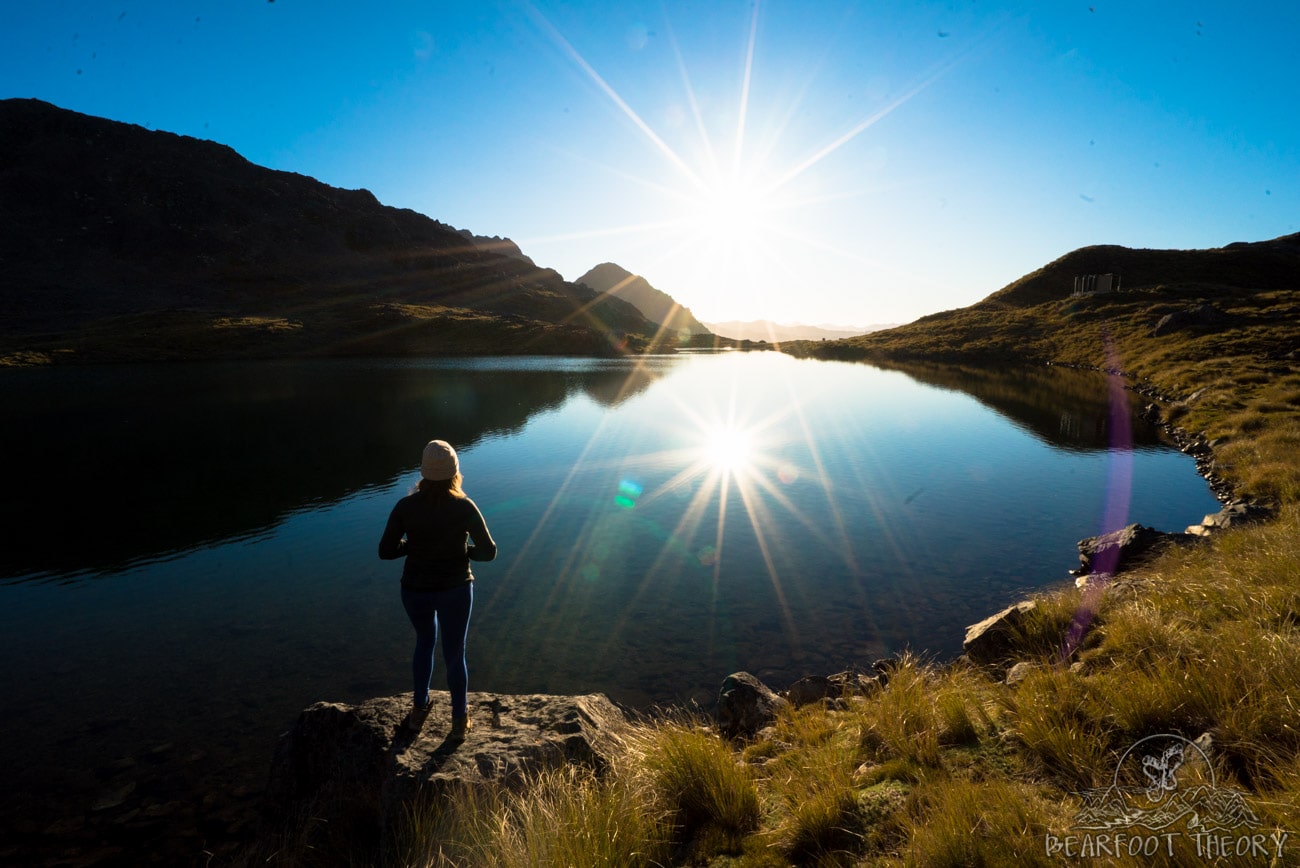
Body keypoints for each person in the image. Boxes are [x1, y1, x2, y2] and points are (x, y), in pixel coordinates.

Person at [379, 439, 497, 738]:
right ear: (454, 472)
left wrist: (414, 545)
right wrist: (463, 551)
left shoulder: (405, 506)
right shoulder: (464, 505)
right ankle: (459, 721)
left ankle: (420, 710)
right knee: (455, 652)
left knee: (424, 643)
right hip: (456, 588)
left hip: (415, 589)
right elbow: (489, 551)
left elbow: (386, 551)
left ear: (423, 472)